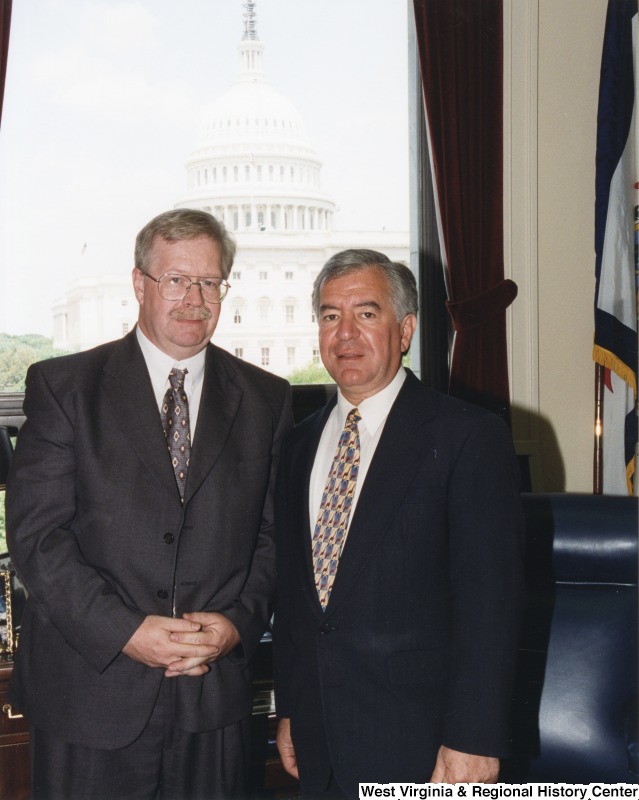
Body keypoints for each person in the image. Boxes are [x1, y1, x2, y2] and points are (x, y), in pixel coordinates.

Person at [6, 208, 293, 799]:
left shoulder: (268, 399)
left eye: (209, 282)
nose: (194, 298)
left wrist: (236, 626)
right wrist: (125, 631)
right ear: (140, 284)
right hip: (91, 695)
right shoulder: (64, 388)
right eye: (176, 280)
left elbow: (275, 537)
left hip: (212, 700)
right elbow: (37, 540)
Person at [273, 249, 525, 798]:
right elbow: (296, 600)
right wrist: (291, 708)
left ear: (405, 329)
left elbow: (491, 603)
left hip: (426, 745)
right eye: (329, 315)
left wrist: (474, 738)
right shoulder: (297, 446)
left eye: (366, 314)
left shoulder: (467, 437)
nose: (345, 334)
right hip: (320, 740)